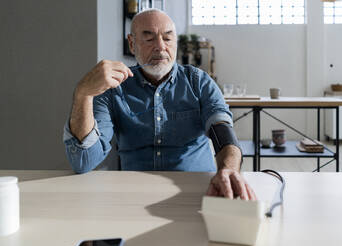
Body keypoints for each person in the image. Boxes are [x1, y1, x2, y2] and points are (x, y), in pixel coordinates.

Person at [63, 9, 256, 201]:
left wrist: (228, 169)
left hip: (198, 189)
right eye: (149, 39)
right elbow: (83, 161)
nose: (160, 47)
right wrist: (83, 94)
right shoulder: (114, 89)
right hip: (132, 194)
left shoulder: (199, 82)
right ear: (132, 43)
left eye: (168, 38)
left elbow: (222, 130)